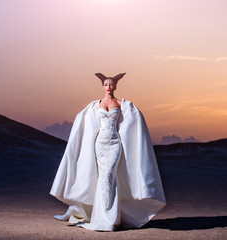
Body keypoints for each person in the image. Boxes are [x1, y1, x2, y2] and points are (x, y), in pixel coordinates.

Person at [49, 72, 166, 231]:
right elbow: (84, 121)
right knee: (102, 176)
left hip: (115, 143)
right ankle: (104, 216)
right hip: (99, 144)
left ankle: (109, 217)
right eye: (106, 84)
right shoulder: (94, 105)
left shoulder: (122, 104)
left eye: (111, 84)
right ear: (102, 86)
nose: (109, 87)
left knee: (109, 174)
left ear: (116, 86)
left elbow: (132, 121)